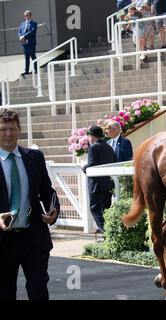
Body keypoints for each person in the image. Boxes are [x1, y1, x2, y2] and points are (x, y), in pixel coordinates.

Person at [0, 108, 59, 300]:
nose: (8, 133)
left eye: (12, 128)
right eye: (3, 129)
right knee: (5, 291)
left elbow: (47, 192)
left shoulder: (35, 157)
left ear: (19, 129)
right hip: (3, 242)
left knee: (39, 288)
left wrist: (53, 211)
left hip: (34, 237)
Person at [82, 125, 115, 233]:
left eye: (88, 135)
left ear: (92, 136)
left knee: (95, 209)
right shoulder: (109, 147)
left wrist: (84, 167)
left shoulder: (93, 148)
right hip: (108, 184)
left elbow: (91, 165)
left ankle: (106, 233)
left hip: (96, 185)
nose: (88, 138)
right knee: (106, 210)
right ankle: (109, 232)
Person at [18, 10, 38, 76]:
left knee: (33, 56)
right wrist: (20, 36)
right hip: (24, 43)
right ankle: (26, 71)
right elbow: (19, 31)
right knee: (26, 57)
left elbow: (32, 32)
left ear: (30, 15)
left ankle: (36, 70)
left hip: (31, 43)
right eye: (25, 15)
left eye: (27, 15)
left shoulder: (34, 23)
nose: (25, 17)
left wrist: (24, 36)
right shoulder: (22, 24)